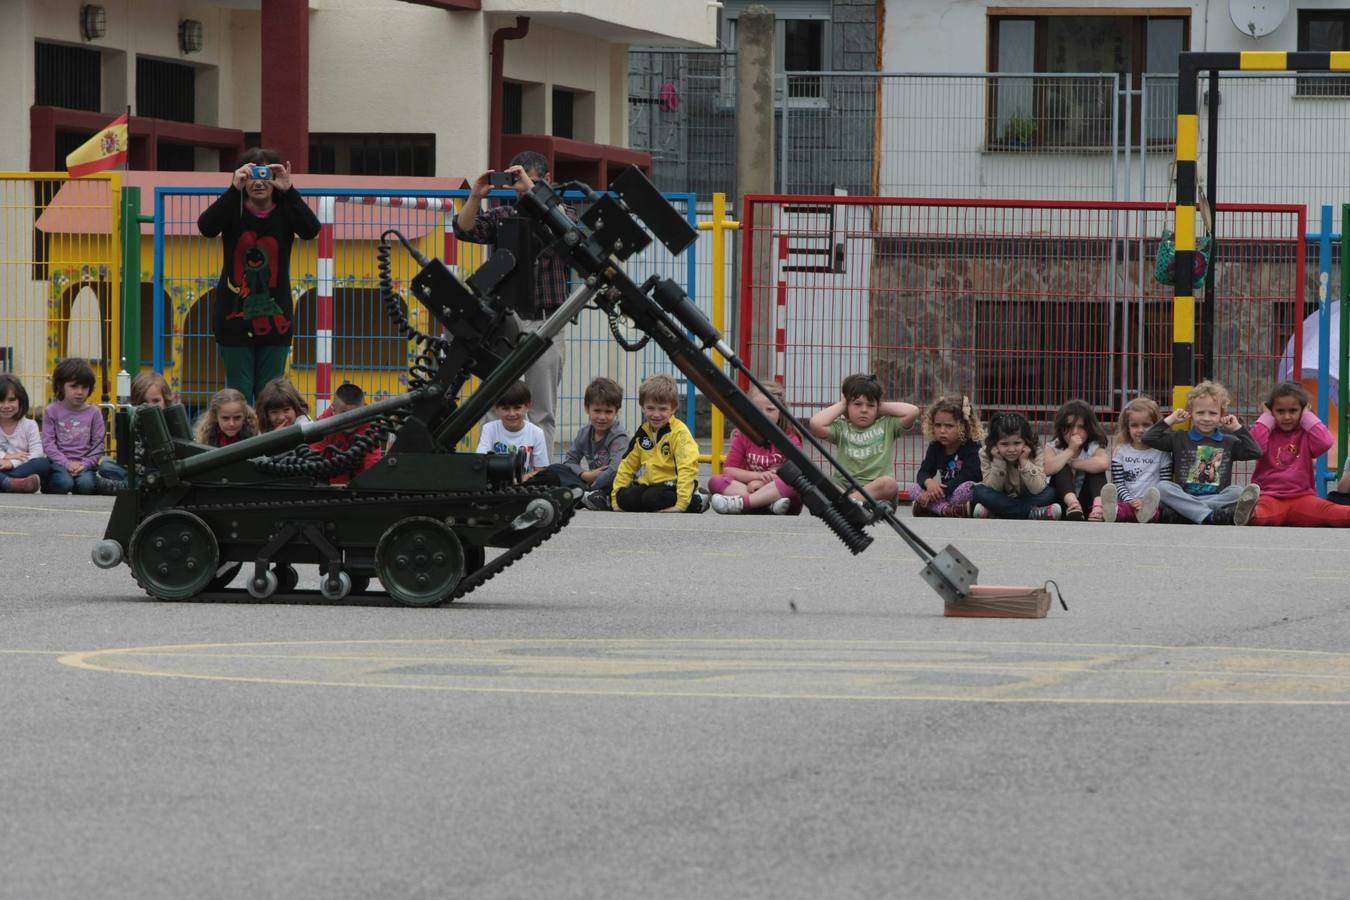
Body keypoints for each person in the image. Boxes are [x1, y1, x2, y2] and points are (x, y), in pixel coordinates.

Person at [456, 150, 572, 450]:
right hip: (506, 319)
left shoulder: (561, 215)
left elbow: (571, 232)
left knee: (541, 405)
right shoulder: (505, 216)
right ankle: (487, 464)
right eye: (517, 181)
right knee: (493, 397)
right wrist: (475, 196)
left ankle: (539, 469)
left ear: (547, 181)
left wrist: (533, 192)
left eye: (529, 182)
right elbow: (465, 229)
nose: (521, 189)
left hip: (548, 318)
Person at [197, 147, 321, 405]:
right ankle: (244, 444)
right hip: (233, 317)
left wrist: (289, 190)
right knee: (239, 394)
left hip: (276, 319)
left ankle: (269, 445)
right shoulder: (233, 209)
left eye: (266, 173)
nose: (259, 181)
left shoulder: (286, 210)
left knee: (271, 395)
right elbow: (206, 227)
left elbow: (311, 230)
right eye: (252, 174)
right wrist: (233, 190)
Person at [1143, 380, 1262, 525]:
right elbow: (1148, 438)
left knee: (1237, 491)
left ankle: (1192, 512)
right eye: (1200, 413)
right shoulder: (1179, 438)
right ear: (1191, 414)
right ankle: (1210, 516)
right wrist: (1170, 420)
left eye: (1212, 413)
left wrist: (1237, 428)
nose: (1206, 418)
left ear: (1221, 415)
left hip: (1214, 498)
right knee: (1162, 487)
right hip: (1185, 496)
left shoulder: (1229, 442)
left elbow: (1255, 452)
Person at [1247, 381, 1350, 527]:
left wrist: (1307, 415)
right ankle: (1249, 514)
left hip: (1303, 498)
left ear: (1302, 411)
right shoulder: (1266, 432)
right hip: (1270, 497)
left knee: (1333, 512)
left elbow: (1325, 442)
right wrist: (1266, 417)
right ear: (1271, 411)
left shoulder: (1306, 434)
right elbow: (1255, 447)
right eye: (1280, 411)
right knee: (1261, 514)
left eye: (1293, 411)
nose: (1287, 417)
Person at [808, 373, 920, 506]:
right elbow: (815, 424)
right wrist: (843, 405)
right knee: (823, 481)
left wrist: (878, 407)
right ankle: (853, 502)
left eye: (870, 405)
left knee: (889, 484)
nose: (864, 410)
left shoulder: (887, 425)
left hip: (876, 492)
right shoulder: (842, 427)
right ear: (847, 405)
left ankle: (848, 503)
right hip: (843, 486)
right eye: (857, 404)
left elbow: (913, 411)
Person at [608, 373, 709, 513]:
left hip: (673, 485)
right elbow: (627, 465)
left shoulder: (679, 433)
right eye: (650, 408)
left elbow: (687, 468)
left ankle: (695, 499)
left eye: (662, 409)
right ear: (642, 407)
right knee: (625, 498)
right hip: (650, 484)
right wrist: (615, 500)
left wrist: (680, 505)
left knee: (651, 499)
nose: (656, 415)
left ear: (673, 409)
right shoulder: (643, 433)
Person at [707, 381, 803, 515]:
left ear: (781, 411)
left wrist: (761, 483)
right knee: (715, 481)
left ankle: (743, 504)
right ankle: (766, 504)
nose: (764, 415)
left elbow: (796, 474)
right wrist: (757, 476)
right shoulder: (742, 435)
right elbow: (729, 470)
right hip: (753, 488)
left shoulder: (790, 438)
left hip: (779, 492)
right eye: (757, 410)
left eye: (770, 409)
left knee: (792, 486)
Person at [533, 376, 628, 496]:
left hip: (614, 482)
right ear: (587, 409)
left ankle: (584, 494)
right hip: (590, 480)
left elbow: (614, 469)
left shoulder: (619, 437)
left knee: (619, 484)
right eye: (597, 411)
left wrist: (592, 485)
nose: (602, 417)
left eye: (608, 412)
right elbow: (570, 460)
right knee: (555, 469)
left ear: (616, 411)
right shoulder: (584, 432)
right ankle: (583, 494)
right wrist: (585, 475)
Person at [41, 358, 122, 494]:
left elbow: (98, 444)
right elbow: (48, 444)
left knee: (87, 485)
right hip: (59, 464)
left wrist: (85, 464)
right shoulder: (51, 411)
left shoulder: (94, 413)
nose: (80, 392)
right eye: (74, 386)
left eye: (84, 387)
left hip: (86, 465)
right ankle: (49, 483)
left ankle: (79, 483)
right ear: (61, 386)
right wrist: (66, 464)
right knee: (63, 483)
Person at [971, 411, 1060, 520]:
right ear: (995, 443)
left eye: (1017, 443)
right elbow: (993, 489)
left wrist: (1024, 461)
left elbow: (1037, 489)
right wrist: (998, 461)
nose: (1011, 449)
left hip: (1027, 497)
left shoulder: (1035, 451)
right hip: (1001, 497)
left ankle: (997, 513)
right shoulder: (985, 453)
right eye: (1004, 444)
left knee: (1050, 493)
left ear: (1026, 441)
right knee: (979, 491)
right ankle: (1031, 513)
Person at [909, 395, 983, 518]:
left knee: (967, 488)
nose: (942, 431)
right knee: (913, 488)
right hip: (941, 493)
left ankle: (930, 507)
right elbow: (924, 471)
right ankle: (947, 510)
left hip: (957, 492)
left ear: (964, 426)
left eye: (949, 426)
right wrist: (929, 483)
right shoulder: (935, 446)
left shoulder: (972, 446)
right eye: (938, 425)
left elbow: (970, 475)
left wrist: (939, 491)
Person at [1100, 396, 1168, 524]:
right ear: (1128, 427)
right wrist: (1130, 501)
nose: (1140, 430)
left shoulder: (1162, 452)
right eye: (1134, 425)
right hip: (1127, 501)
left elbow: (1165, 483)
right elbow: (1119, 483)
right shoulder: (1120, 451)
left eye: (1146, 425)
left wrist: (1144, 501)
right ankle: (1112, 513)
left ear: (1156, 426)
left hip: (1151, 503)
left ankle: (1146, 515)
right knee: (1122, 510)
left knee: (1156, 512)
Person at [1043, 399, 1110, 521]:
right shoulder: (1052, 446)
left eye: (1081, 427)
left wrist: (1074, 464)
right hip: (1062, 502)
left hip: (1087, 501)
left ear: (1089, 428)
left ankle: (1099, 506)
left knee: (1097, 469)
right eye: (1069, 427)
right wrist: (1070, 451)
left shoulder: (1093, 445)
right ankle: (1073, 505)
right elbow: (1047, 468)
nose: (1075, 432)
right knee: (1061, 466)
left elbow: (1103, 463)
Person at [311, 383, 383, 485]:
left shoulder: (370, 426)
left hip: (360, 485)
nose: (350, 421)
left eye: (356, 414)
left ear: (365, 409)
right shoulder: (324, 424)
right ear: (333, 410)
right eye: (344, 413)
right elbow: (312, 456)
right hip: (329, 481)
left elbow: (372, 464)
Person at [475, 380, 549, 475]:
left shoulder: (537, 433)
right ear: (496, 409)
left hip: (526, 484)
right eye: (505, 409)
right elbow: (481, 460)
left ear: (527, 407)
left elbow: (540, 470)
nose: (512, 414)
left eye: (517, 408)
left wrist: (525, 478)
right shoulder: (489, 429)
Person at [0, 374, 49, 493]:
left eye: (11, 400)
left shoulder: (30, 425)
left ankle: (7, 482)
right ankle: (13, 484)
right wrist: (4, 456)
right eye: (0, 400)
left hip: (21, 467)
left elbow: (37, 453)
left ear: (21, 401)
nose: (6, 405)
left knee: (43, 463)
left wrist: (12, 462)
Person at [194, 388, 258, 447]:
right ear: (215, 416)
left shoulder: (255, 435)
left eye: (237, 418)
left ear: (245, 415)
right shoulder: (204, 438)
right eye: (225, 418)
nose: (231, 424)